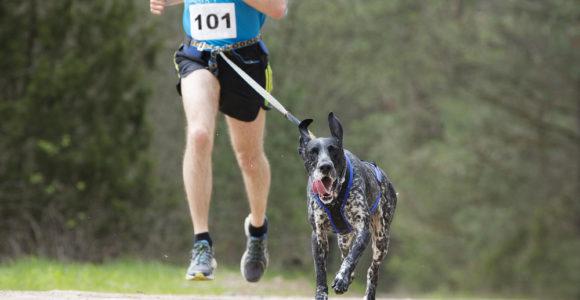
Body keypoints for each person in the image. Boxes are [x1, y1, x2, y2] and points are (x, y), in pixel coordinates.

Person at [150, 0, 287, 282]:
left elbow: (278, 9)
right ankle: (201, 243)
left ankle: (258, 230)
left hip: (246, 58)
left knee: (249, 157)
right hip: (198, 54)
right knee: (199, 134)